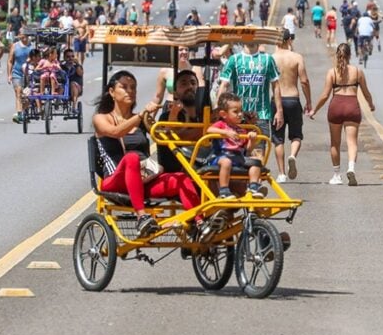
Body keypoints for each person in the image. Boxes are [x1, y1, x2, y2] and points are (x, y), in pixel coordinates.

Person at [93, 70, 201, 236]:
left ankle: (199, 223)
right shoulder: (102, 118)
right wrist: (142, 115)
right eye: (124, 87)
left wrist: (173, 115)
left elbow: (163, 136)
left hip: (144, 180)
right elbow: (116, 132)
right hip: (115, 180)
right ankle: (142, 217)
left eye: (133, 88)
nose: (130, 91)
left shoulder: (142, 119)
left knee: (180, 178)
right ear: (112, 92)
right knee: (132, 158)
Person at [309, 43, 376, 186]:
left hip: (336, 106)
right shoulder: (357, 72)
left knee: (335, 143)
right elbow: (366, 93)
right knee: (352, 142)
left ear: (337, 56)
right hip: (352, 106)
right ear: (350, 55)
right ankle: (351, 168)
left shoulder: (332, 72)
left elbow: (325, 95)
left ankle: (336, 175)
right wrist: (371, 105)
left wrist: (315, 109)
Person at [217, 36, 283, 146]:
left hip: (261, 114)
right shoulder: (234, 59)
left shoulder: (267, 59)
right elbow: (224, 85)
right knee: (238, 150)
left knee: (258, 153)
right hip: (238, 116)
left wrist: (279, 111)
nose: (251, 39)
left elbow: (276, 85)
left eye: (254, 36)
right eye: (249, 36)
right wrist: (218, 110)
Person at [271, 29, 312, 183]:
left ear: (276, 41)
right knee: (296, 135)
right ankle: (293, 155)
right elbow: (304, 81)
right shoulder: (296, 57)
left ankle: (281, 173)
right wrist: (308, 102)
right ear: (289, 40)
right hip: (293, 99)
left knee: (278, 138)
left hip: (276, 101)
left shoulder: (271, 59)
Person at [207, 93, 266, 199]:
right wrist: (225, 132)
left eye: (241, 111)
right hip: (220, 156)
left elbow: (247, 150)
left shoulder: (241, 129)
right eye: (235, 112)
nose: (240, 114)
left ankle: (253, 187)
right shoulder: (221, 124)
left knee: (256, 161)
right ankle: (224, 190)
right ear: (224, 114)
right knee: (226, 162)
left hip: (238, 157)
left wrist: (252, 140)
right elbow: (209, 130)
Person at [8, 32, 33, 123]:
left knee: (27, 95)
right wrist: (9, 74)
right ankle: (19, 114)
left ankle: (24, 111)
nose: (23, 38)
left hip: (30, 74)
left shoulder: (32, 47)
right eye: (22, 36)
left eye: (25, 36)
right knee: (18, 92)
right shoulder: (15, 46)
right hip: (17, 73)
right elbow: (10, 61)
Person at [61, 48, 84, 114]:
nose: (70, 58)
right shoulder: (62, 66)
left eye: (72, 56)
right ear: (64, 58)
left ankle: (74, 107)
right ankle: (58, 101)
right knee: (60, 85)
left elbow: (80, 73)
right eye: (68, 57)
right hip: (64, 88)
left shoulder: (77, 66)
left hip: (76, 87)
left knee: (73, 84)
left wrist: (77, 64)